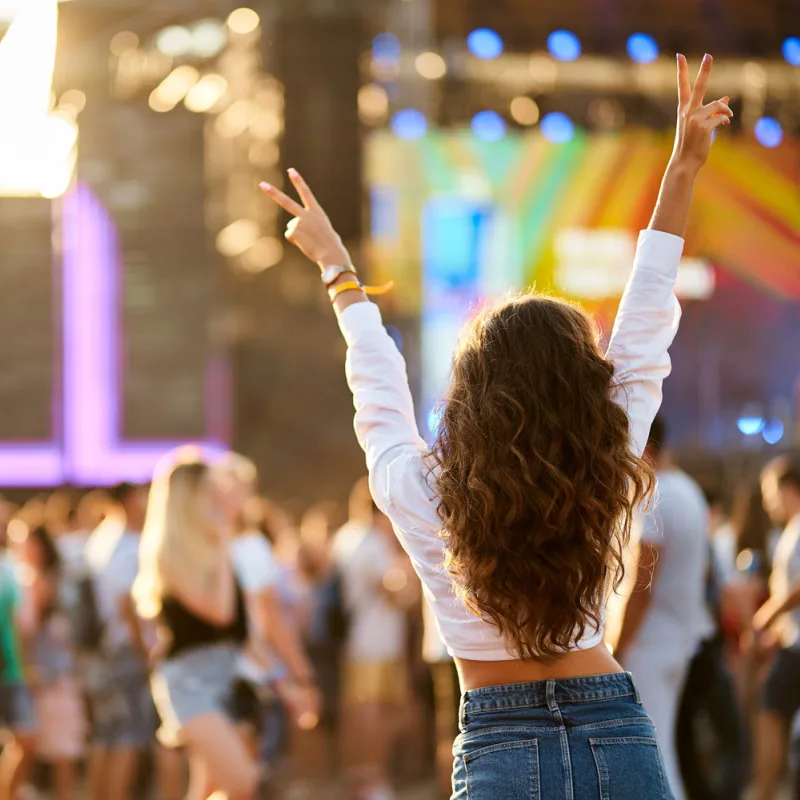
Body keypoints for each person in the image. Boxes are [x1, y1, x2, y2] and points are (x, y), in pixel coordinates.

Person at [262, 51, 732, 800]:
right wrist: (680, 168)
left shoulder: (425, 492)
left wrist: (340, 273)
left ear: (472, 391)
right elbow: (648, 314)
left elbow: (378, 386)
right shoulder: (606, 458)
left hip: (500, 744)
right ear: (583, 386)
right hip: (617, 725)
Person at [133, 455, 261, 800]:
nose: (219, 497)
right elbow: (219, 613)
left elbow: (236, 624)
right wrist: (222, 542)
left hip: (225, 674)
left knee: (209, 788)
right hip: (190, 683)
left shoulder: (209, 545)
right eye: (210, 489)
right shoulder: (168, 553)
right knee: (241, 782)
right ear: (191, 496)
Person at [610, 415, 712, 800]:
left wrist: (617, 649)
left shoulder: (654, 494)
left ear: (645, 446)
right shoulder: (690, 491)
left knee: (649, 754)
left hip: (649, 643)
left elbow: (641, 585)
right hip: (679, 639)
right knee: (662, 746)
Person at [335, 484, 418, 800]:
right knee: (373, 712)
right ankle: (372, 780)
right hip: (375, 643)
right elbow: (396, 594)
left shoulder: (348, 538)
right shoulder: (372, 544)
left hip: (361, 641)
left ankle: (361, 778)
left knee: (361, 712)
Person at [83, 481, 153, 800]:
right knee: (128, 738)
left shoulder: (100, 538)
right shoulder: (126, 544)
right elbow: (128, 607)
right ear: (128, 500)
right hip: (124, 651)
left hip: (101, 651)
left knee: (105, 737)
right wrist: (144, 654)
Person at [16, 524, 87, 800]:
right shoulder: (32, 582)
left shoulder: (48, 583)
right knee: (35, 749)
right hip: (44, 678)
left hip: (54, 677)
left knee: (60, 752)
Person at [750, 456, 800, 800]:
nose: (768, 502)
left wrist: (765, 617)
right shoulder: (790, 529)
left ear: (788, 488)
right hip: (791, 644)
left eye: (771, 492)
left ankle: (765, 792)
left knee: (769, 716)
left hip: (798, 648)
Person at [0, 517, 37, 800]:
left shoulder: (13, 570)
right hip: (14, 672)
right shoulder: (14, 571)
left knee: (24, 741)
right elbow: (24, 624)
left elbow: (23, 626)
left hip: (12, 671)